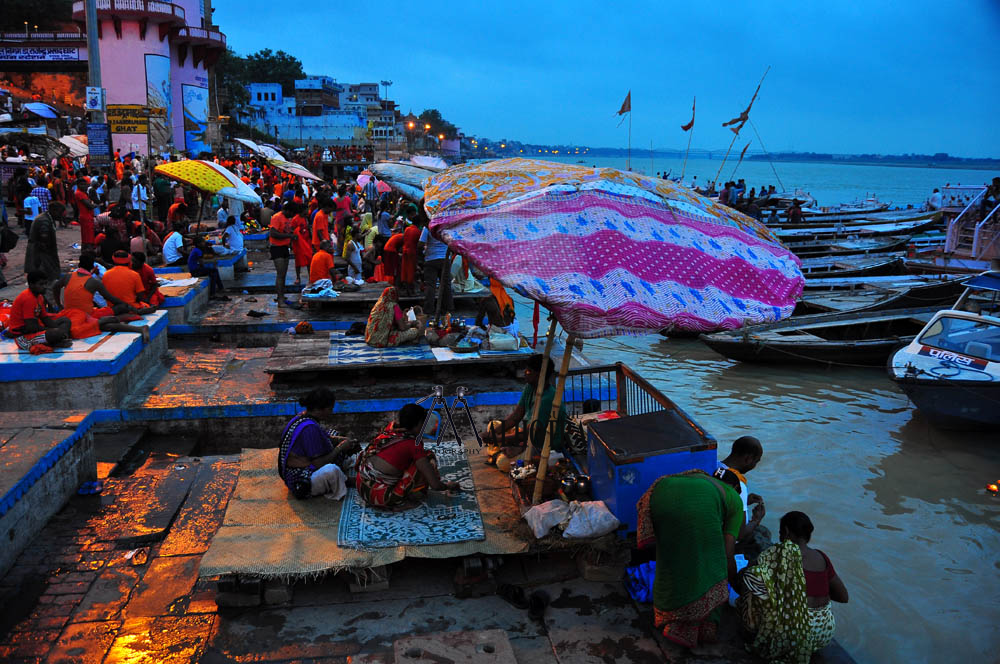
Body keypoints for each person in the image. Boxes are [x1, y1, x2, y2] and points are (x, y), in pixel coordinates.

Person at [635, 469, 744, 649]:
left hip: (660, 490)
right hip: (691, 505)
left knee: (671, 556)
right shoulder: (735, 499)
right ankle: (687, 625)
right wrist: (735, 584)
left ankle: (667, 615)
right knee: (711, 567)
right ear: (734, 488)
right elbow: (727, 554)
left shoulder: (704, 480)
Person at [738, 511, 849, 662]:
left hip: (794, 636)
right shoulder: (821, 557)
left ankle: (751, 630)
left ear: (786, 532)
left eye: (780, 533)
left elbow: (744, 576)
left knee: (754, 575)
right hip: (824, 632)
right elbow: (843, 597)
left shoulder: (776, 554)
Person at [355, 403, 460, 509]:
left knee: (412, 459)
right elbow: (435, 485)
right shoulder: (413, 445)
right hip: (380, 498)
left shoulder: (391, 428)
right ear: (419, 423)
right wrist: (447, 486)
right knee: (427, 458)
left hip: (360, 485)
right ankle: (399, 502)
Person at [486, 354, 567, 470]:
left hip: (541, 444)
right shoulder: (530, 387)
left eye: (529, 371)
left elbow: (530, 434)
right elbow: (515, 416)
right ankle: (505, 449)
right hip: (527, 436)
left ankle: (502, 451)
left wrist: (499, 439)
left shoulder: (548, 399)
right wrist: (493, 434)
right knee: (493, 426)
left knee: (502, 463)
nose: (525, 373)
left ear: (539, 375)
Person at [278, 388, 357, 500]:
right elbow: (318, 464)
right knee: (331, 470)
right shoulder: (309, 428)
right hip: (300, 480)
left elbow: (326, 437)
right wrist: (340, 448)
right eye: (330, 409)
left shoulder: (304, 417)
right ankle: (346, 480)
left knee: (334, 434)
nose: (331, 412)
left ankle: (344, 473)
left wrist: (340, 440)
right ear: (320, 410)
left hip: (308, 463)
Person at [54, 254, 151, 342]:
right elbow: (111, 298)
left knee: (103, 324)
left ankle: (134, 324)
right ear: (93, 266)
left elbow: (55, 287)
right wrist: (127, 306)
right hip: (85, 316)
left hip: (73, 314)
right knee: (103, 324)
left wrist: (59, 305)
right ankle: (133, 322)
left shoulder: (67, 276)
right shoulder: (93, 281)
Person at [715, 436, 765, 543]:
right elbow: (740, 533)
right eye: (755, 461)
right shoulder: (739, 484)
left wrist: (745, 501)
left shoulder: (715, 467)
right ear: (748, 459)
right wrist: (757, 519)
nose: (754, 466)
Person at [7, 271, 72, 351]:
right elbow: (32, 327)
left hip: (33, 332)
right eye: (41, 284)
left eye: (45, 284)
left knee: (65, 320)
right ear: (31, 285)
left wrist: (56, 328)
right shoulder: (28, 298)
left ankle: (57, 339)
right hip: (23, 338)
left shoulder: (39, 297)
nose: (45, 287)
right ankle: (56, 340)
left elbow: (45, 318)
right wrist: (53, 330)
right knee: (56, 333)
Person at [24, 201, 63, 300]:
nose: (61, 215)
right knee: (46, 279)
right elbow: (43, 240)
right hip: (41, 255)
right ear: (54, 211)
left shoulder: (47, 218)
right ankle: (46, 302)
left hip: (42, 253)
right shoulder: (44, 221)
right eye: (60, 212)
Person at [419, 219, 453, 319]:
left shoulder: (428, 227)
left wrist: (423, 251)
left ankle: (429, 310)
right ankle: (447, 308)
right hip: (445, 258)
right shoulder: (446, 226)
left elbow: (421, 244)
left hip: (431, 258)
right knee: (446, 284)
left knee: (430, 285)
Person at [269, 202, 294, 307]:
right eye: (291, 213)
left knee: (283, 275)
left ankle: (282, 296)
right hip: (276, 248)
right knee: (280, 275)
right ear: (287, 210)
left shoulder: (287, 218)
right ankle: (280, 300)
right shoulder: (276, 217)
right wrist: (288, 235)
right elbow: (273, 233)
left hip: (284, 247)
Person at [289, 203, 314, 286]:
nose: (308, 211)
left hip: (307, 241)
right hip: (299, 243)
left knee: (309, 259)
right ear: (303, 210)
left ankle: (311, 277)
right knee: (298, 261)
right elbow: (291, 230)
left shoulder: (306, 218)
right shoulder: (295, 219)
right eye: (307, 209)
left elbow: (308, 228)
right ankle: (298, 277)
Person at [399, 212, 422, 295]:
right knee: (411, 271)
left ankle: (407, 290)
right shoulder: (418, 231)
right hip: (412, 253)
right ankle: (411, 291)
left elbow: (403, 239)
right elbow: (419, 245)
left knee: (405, 271)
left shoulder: (407, 229)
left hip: (405, 252)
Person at [73, 176, 96, 252]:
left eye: (85, 184)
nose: (85, 186)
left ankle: (86, 252)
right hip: (86, 217)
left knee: (87, 237)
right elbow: (90, 205)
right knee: (88, 238)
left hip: (87, 216)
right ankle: (87, 252)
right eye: (82, 184)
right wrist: (94, 205)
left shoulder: (82, 193)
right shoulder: (79, 193)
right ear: (78, 185)